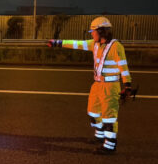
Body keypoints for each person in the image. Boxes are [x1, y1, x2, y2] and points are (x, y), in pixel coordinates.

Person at [48, 17, 132, 154]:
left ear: (101, 31)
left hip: (111, 86)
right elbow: (76, 44)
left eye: (93, 31)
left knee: (109, 117)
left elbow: (123, 67)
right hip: (97, 84)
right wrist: (57, 42)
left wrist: (127, 85)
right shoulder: (94, 44)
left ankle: (110, 146)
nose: (92, 34)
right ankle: (99, 136)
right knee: (92, 112)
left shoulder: (116, 47)